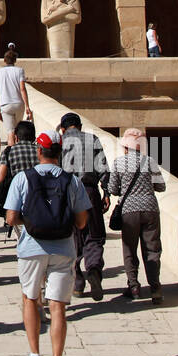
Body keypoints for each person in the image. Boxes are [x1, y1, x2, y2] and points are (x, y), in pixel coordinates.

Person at [5, 130, 91, 356]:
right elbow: (82, 220)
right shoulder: (72, 181)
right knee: (58, 306)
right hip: (63, 249)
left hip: (31, 248)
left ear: (39, 152)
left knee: (31, 298)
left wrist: (29, 222)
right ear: (60, 153)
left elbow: (10, 217)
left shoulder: (23, 178)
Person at [108, 128, 166, 302]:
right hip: (150, 209)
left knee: (129, 249)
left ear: (126, 147)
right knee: (152, 249)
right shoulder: (149, 162)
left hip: (129, 210)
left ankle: (133, 286)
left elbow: (112, 189)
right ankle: (155, 288)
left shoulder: (119, 163)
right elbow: (161, 187)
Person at [58, 112, 111, 301]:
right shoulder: (92, 139)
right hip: (89, 191)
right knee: (94, 234)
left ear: (63, 129)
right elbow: (103, 168)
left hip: (66, 193)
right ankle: (94, 269)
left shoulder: (59, 141)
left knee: (71, 237)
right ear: (80, 126)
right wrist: (106, 192)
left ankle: (78, 282)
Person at [0, 47, 32, 139]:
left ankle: (11, 151)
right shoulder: (20, 71)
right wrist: (27, 106)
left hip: (5, 105)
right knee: (18, 130)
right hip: (19, 104)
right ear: (15, 60)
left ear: (4, 60)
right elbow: (22, 89)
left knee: (10, 132)